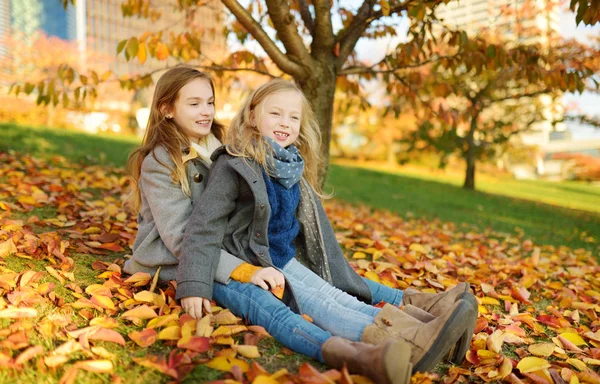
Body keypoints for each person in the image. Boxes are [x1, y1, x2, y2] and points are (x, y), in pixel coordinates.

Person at [124, 66, 415, 384]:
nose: (206, 111)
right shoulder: (159, 162)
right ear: (166, 109)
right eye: (194, 104)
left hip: (234, 246)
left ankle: (410, 318)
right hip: (185, 260)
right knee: (263, 300)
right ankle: (355, 355)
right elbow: (182, 238)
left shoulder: (223, 142)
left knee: (320, 274)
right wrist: (247, 271)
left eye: (210, 102)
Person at [176, 78, 478, 374]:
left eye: (293, 117)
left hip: (281, 258)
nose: (285, 122)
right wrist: (193, 284)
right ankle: (408, 343)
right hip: (251, 263)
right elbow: (204, 227)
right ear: (253, 116)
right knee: (325, 306)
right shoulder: (234, 164)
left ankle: (427, 333)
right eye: (275, 113)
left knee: (339, 297)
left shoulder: (289, 163)